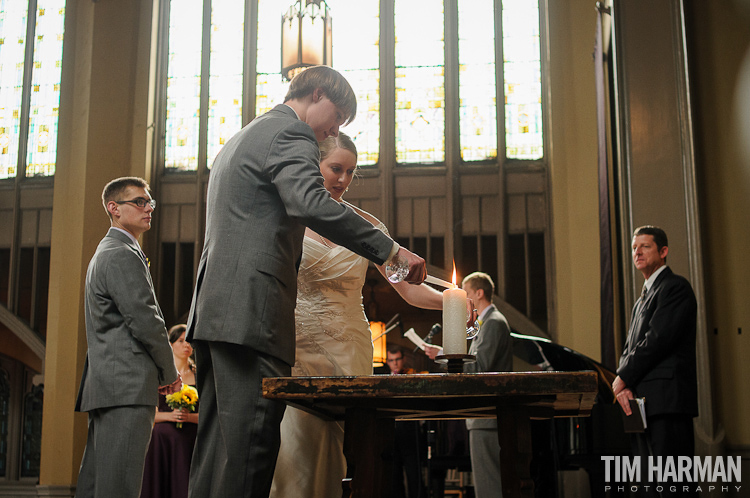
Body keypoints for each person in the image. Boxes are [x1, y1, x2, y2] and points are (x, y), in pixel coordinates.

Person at [186, 66, 427, 498]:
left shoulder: (243, 137)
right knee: (249, 454)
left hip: (216, 312)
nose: (332, 130)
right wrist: (391, 250)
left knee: (216, 453)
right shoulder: (291, 133)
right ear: (316, 94)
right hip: (252, 316)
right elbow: (309, 202)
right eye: (335, 118)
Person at [269, 133, 442, 498]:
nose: (343, 180)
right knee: (297, 451)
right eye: (336, 169)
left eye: (350, 172)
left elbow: (406, 287)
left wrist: (449, 302)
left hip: (351, 345)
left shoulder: (367, 227)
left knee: (352, 449)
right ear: (314, 165)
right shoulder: (290, 218)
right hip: (299, 346)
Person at [74, 177, 181, 498]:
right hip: (127, 386)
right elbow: (145, 318)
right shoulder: (120, 252)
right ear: (114, 208)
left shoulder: (108, 250)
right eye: (139, 202)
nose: (148, 208)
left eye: (150, 203)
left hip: (112, 384)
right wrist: (169, 371)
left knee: (99, 486)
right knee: (118, 488)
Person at [612, 226, 698, 497]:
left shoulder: (675, 287)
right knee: (650, 488)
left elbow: (656, 340)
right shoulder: (641, 301)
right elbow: (629, 348)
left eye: (645, 246)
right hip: (642, 405)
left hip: (667, 404)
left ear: (663, 252)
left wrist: (621, 377)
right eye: (634, 247)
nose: (637, 251)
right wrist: (624, 386)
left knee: (674, 487)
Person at [425, 272, 512, 498]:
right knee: (487, 483)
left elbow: (480, 369)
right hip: (484, 417)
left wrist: (449, 356)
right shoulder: (485, 322)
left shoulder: (493, 322)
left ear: (479, 293)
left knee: (490, 486)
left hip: (488, 416)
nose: (464, 299)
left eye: (466, 292)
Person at [141, 324, 199, 498]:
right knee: (160, 432)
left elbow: (209, 416)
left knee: (184, 438)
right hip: (162, 435)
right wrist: (171, 416)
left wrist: (188, 417)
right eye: (181, 341)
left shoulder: (199, 375)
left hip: (190, 432)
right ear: (171, 344)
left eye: (189, 341)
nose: (186, 345)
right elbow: (150, 414)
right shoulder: (160, 374)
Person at [386, 345, 425, 498]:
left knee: (414, 475)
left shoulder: (411, 377)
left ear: (403, 360)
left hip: (410, 431)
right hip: (392, 432)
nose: (395, 364)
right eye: (391, 360)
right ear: (387, 362)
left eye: (397, 360)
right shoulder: (383, 379)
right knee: (394, 477)